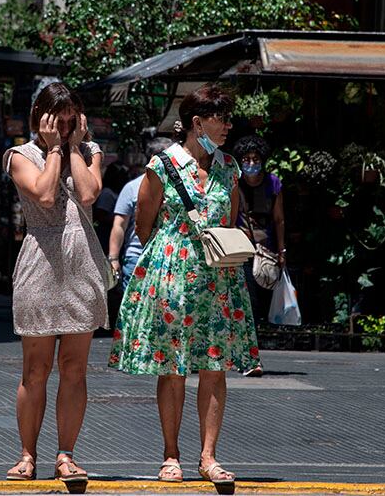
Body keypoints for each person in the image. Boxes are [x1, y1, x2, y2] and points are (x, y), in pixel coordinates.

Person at [109, 84, 259, 487]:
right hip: (173, 276)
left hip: (217, 278)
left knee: (215, 367)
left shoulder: (229, 166)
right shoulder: (163, 165)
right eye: (221, 118)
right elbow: (144, 224)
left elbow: (229, 219)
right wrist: (175, 249)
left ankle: (208, 457)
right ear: (197, 122)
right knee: (173, 368)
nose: (229, 125)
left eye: (229, 118)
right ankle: (171, 454)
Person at [1, 82, 109, 485]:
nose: (64, 129)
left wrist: (76, 149)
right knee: (36, 368)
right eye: (57, 122)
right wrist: (52, 151)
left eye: (70, 121)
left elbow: (88, 194)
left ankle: (66, 454)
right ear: (41, 118)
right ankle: (27, 455)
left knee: (75, 368)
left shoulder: (89, 151)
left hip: (82, 262)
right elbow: (45, 196)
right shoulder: (19, 155)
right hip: (40, 262)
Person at [233, 134, 286, 377]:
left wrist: (282, 250)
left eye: (255, 159)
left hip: (266, 251)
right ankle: (250, 358)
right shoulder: (235, 183)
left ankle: (244, 354)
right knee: (249, 304)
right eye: (246, 158)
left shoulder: (273, 183)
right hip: (241, 250)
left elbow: (279, 219)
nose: (251, 163)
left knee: (259, 306)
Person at [108, 137, 174, 291]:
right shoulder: (132, 188)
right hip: (137, 257)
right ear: (154, 159)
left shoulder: (177, 187)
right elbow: (119, 225)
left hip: (169, 257)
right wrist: (113, 258)